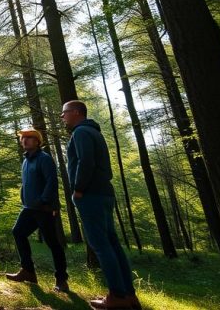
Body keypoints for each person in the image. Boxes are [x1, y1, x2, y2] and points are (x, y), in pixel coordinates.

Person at [61, 100, 141, 310]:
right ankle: (129, 295)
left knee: (101, 246)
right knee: (112, 243)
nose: (62, 117)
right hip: (104, 194)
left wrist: (78, 189)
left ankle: (116, 296)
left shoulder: (81, 133)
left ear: (76, 113)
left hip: (91, 195)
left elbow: (86, 161)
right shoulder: (93, 132)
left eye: (65, 113)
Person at [5, 128, 69, 293]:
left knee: (52, 243)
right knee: (18, 232)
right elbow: (26, 184)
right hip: (29, 208)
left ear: (37, 141)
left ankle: (62, 280)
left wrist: (44, 201)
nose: (24, 140)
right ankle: (28, 272)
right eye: (22, 138)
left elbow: (51, 182)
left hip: (44, 209)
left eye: (29, 138)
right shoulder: (26, 161)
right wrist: (24, 199)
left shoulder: (44, 159)